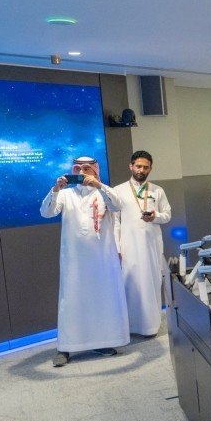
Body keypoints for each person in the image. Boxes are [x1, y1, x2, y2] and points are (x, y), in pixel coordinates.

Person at [40, 156, 129, 367]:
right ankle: (66, 347)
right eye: (77, 168)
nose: (81, 173)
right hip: (74, 261)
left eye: (87, 169)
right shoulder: (66, 194)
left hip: (101, 259)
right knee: (71, 301)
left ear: (95, 171)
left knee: (101, 298)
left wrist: (98, 185)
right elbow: (46, 212)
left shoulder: (103, 191)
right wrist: (56, 189)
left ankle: (103, 341)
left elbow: (117, 206)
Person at [99, 150, 171, 338]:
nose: (141, 170)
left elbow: (167, 215)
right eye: (138, 166)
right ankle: (131, 326)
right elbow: (115, 222)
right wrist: (117, 248)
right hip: (128, 246)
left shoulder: (157, 190)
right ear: (131, 166)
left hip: (152, 246)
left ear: (150, 169)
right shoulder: (118, 191)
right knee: (130, 284)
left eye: (146, 167)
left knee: (152, 282)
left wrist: (155, 216)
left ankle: (151, 326)